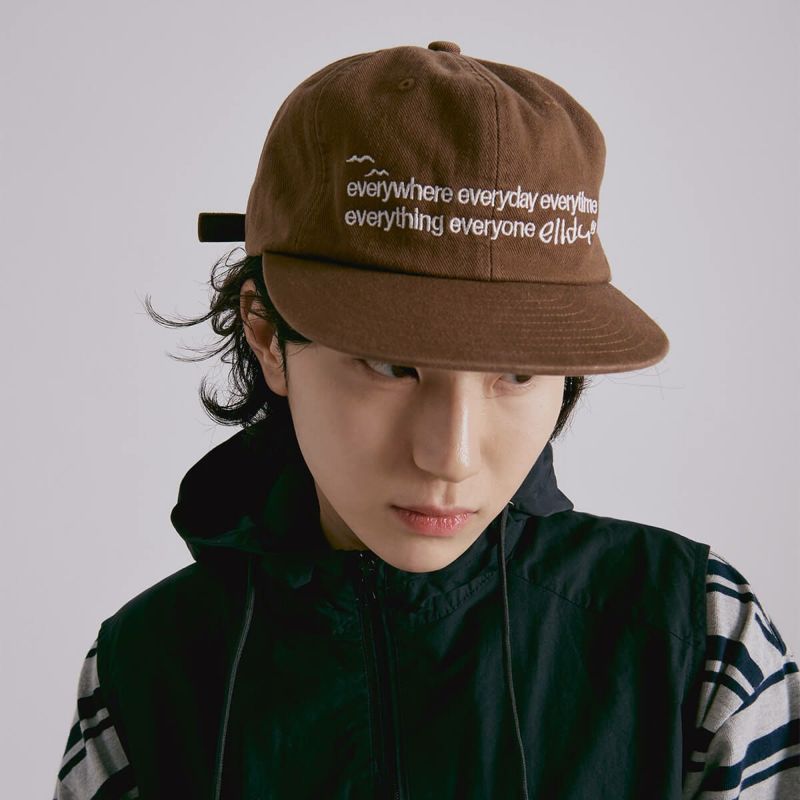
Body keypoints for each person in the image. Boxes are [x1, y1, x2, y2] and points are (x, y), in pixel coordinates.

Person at [52, 40, 799, 799]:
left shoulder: (699, 641)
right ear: (268, 337)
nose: (452, 456)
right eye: (390, 366)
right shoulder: (143, 675)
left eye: (516, 373)